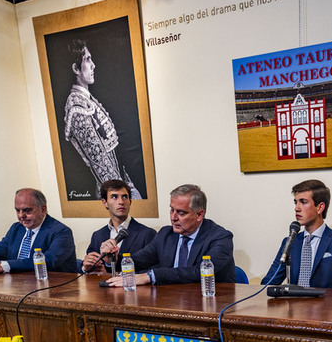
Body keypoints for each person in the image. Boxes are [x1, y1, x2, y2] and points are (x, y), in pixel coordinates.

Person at [105, 184, 235, 287]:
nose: (173, 218)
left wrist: (150, 276)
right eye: (172, 210)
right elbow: (138, 261)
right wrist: (113, 259)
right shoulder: (165, 234)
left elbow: (199, 272)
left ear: (199, 215)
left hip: (212, 304)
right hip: (171, 302)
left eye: (181, 213)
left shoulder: (220, 238)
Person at [64, 39, 142, 199]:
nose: (93, 65)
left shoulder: (86, 100)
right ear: (75, 68)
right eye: (87, 59)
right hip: (111, 191)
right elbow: (98, 159)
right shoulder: (77, 106)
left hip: (120, 183)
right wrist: (120, 195)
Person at [262, 179, 332, 290]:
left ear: (320, 207)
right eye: (296, 202)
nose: (297, 208)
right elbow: (268, 282)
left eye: (303, 202)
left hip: (326, 305)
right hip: (294, 305)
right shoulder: (290, 242)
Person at [0, 188, 77, 275]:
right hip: (18, 286)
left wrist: (3, 266)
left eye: (27, 210)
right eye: (17, 210)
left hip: (55, 289)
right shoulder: (16, 228)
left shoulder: (61, 231)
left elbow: (47, 261)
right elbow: (1, 252)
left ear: (43, 209)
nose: (21, 216)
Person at [80, 179, 156, 273]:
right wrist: (86, 268)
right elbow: (91, 269)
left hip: (133, 287)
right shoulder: (97, 236)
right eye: (114, 197)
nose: (121, 202)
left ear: (130, 202)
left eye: (124, 197)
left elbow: (151, 271)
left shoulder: (147, 234)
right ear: (105, 202)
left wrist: (111, 274)